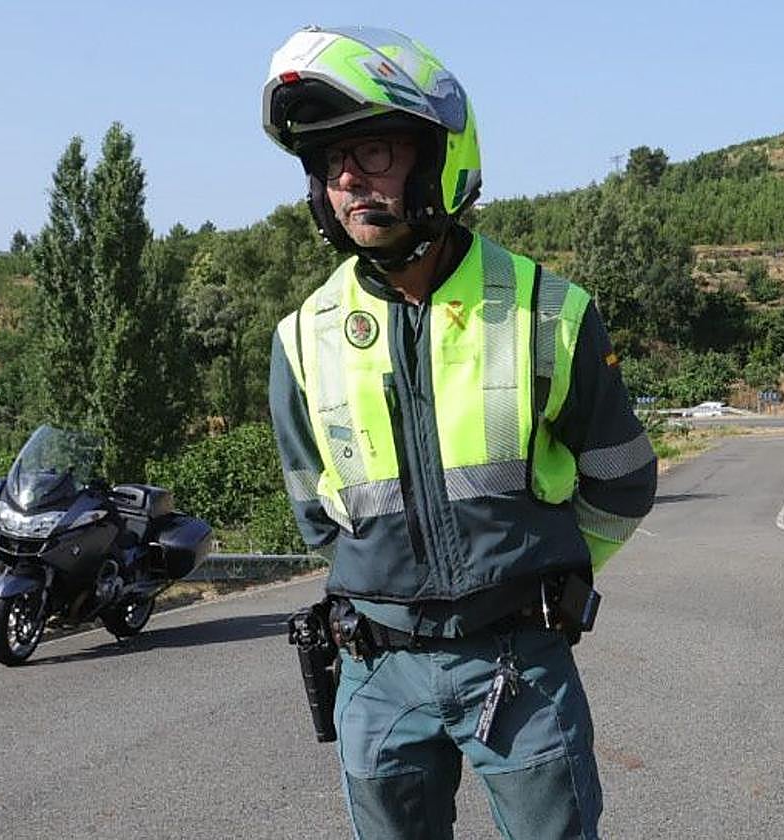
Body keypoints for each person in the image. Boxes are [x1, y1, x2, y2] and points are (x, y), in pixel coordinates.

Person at [263, 26, 657, 839]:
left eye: (372, 151)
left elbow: (623, 479)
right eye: (328, 163)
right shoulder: (303, 336)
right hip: (376, 673)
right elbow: (315, 514)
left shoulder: (548, 309)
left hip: (520, 658)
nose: (348, 180)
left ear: (438, 155)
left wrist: (546, 578)